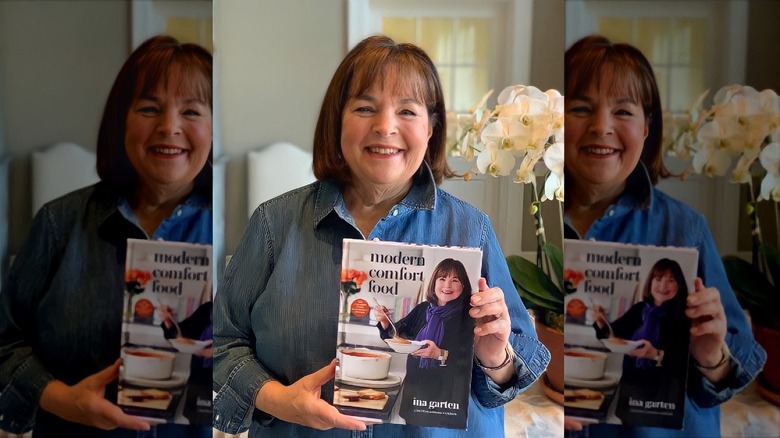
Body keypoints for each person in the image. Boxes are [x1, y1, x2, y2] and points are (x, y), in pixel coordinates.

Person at [212, 35, 550, 437]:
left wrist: (497, 357)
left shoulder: (470, 229)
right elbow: (219, 342)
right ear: (337, 120)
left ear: (431, 128)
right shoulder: (274, 223)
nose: (385, 126)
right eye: (364, 107)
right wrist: (276, 399)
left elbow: (516, 370)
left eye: (407, 110)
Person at [0, 35, 213, 437]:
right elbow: (6, 342)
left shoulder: (237, 230)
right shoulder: (58, 224)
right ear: (121, 122)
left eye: (191, 111)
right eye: (149, 108)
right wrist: (59, 398)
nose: (169, 127)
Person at [563, 35, 766, 437]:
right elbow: (610, 335)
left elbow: (737, 364)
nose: (601, 127)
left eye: (623, 111)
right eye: (581, 108)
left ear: (647, 127)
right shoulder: (547, 232)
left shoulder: (684, 228)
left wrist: (712, 355)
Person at [591, 258, 691, 427]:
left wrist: (656, 354)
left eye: (671, 280)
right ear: (650, 282)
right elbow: (613, 334)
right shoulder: (639, 309)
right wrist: (601, 322)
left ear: (679, 285)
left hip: (662, 397)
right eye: (658, 279)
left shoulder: (684, 317)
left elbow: (684, 362)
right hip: (632, 388)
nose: (663, 286)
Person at [375, 258, 473, 427]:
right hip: (415, 389)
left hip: (446, 398)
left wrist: (439, 354)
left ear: (463, 286)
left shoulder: (468, 316)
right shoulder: (423, 308)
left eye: (454, 280)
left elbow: (467, 359)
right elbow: (395, 334)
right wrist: (385, 321)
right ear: (434, 283)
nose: (447, 286)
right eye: (442, 279)